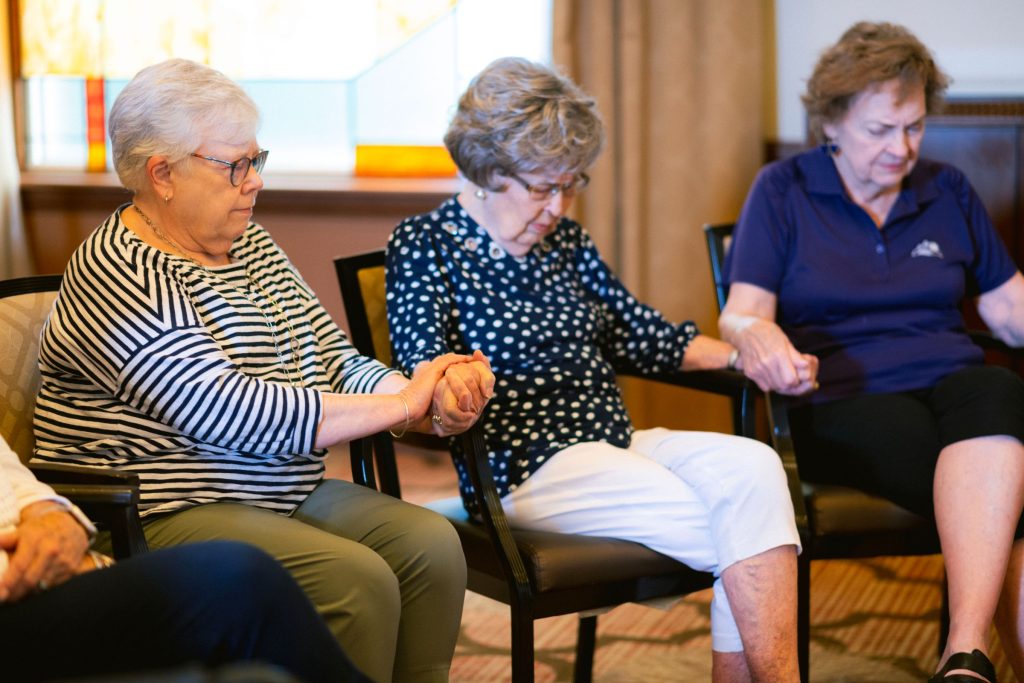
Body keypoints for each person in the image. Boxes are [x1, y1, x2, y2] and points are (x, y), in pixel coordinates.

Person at [32, 58, 494, 683]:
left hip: (275, 488)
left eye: (257, 160)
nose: (253, 183)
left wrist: (431, 394)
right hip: (161, 510)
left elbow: (331, 357)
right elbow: (233, 411)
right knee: (354, 580)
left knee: (431, 547)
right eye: (234, 165)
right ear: (161, 174)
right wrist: (407, 405)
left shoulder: (248, 243)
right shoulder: (119, 272)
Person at [385, 56, 802, 682]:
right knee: (746, 531)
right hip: (519, 467)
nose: (558, 205)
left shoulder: (566, 246)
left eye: (570, 184)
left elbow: (639, 333)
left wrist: (750, 354)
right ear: (487, 169)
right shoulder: (425, 245)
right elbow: (423, 370)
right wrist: (453, 394)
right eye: (541, 186)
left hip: (611, 445)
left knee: (755, 470)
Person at [720, 21, 1024, 683]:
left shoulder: (946, 190)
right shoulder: (784, 190)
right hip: (841, 394)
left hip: (950, 378)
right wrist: (759, 338)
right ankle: (970, 657)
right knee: (1005, 489)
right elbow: (743, 310)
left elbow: (1008, 309)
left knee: (1002, 393)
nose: (902, 148)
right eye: (879, 131)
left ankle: (964, 652)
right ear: (832, 122)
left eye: (913, 127)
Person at [0, 434, 368, 682]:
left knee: (245, 581)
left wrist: (46, 509)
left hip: (43, 563)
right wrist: (402, 404)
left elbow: (8, 470)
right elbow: (226, 407)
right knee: (242, 584)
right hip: (22, 587)